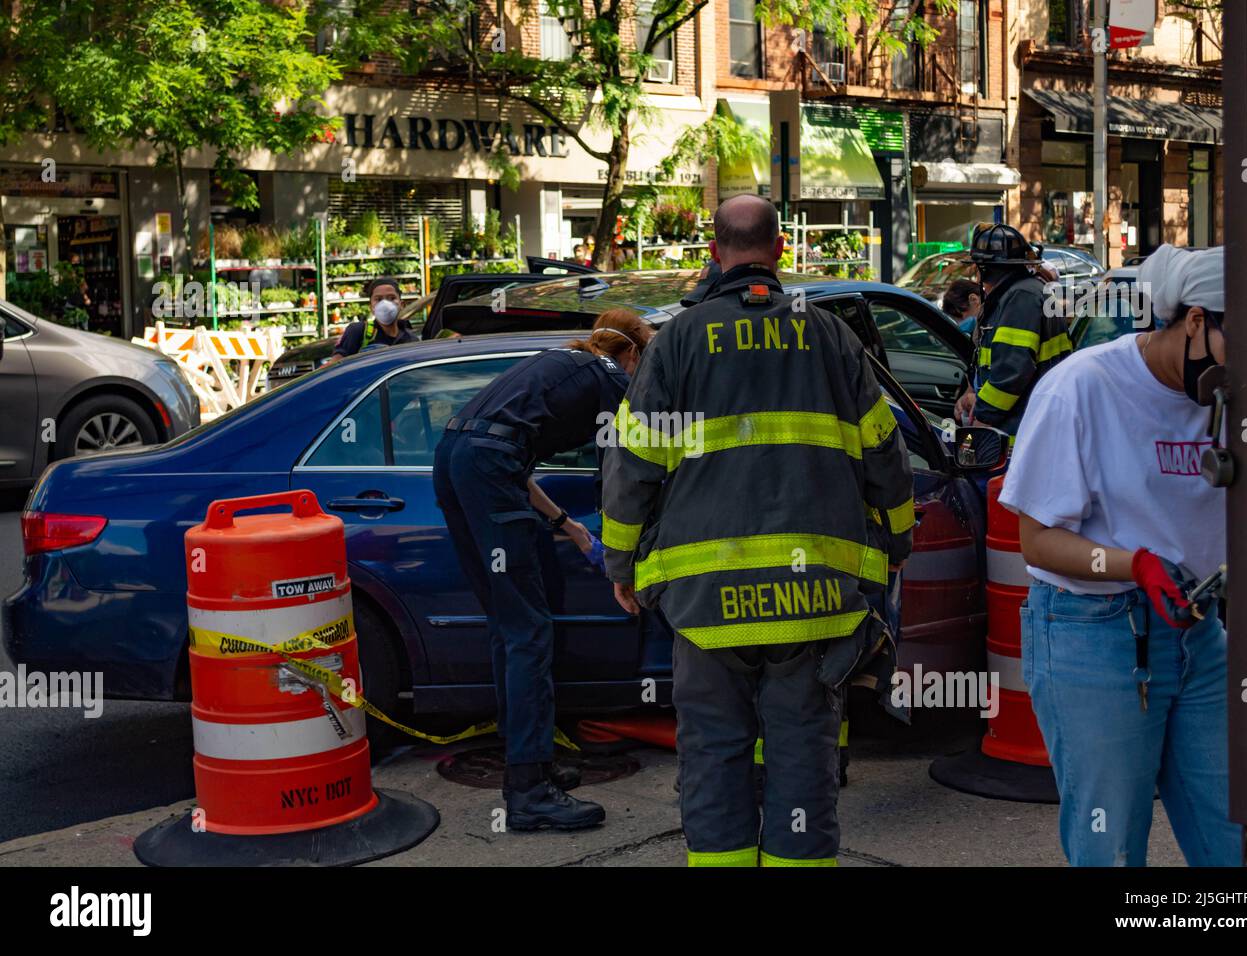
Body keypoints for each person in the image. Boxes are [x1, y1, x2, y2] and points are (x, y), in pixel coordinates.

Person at [600, 194, 915, 866]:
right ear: (779, 251)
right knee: (803, 750)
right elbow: (885, 451)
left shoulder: (679, 340)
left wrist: (620, 563)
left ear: (714, 252)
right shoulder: (829, 334)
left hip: (707, 602)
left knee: (715, 750)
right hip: (814, 605)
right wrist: (895, 542)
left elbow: (633, 464)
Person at [999, 244, 1239, 866]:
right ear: (1193, 321)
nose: (1242, 371)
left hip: (1197, 631)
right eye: (1234, 345)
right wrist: (1134, 564)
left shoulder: (1231, 402)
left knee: (1236, 836)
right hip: (1096, 632)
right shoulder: (1083, 387)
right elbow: (1038, 539)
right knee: (1111, 846)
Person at [432, 308, 653, 831]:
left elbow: (500, 450)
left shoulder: (557, 362)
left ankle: (528, 765)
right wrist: (628, 550)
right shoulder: (609, 377)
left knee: (509, 631)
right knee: (530, 634)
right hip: (487, 467)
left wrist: (570, 528)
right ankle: (530, 795)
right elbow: (622, 470)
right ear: (633, 354)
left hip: (454, 458)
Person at [952, 223, 1072, 437]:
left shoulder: (1021, 298)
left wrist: (982, 420)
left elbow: (1012, 370)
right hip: (1035, 424)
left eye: (978, 269)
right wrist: (972, 393)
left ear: (985, 269)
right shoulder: (1023, 293)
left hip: (1021, 434)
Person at [330, 276, 416, 361]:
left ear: (402, 305)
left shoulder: (411, 340)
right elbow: (334, 365)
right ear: (371, 307)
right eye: (378, 299)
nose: (385, 304)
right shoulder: (357, 332)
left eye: (392, 298)